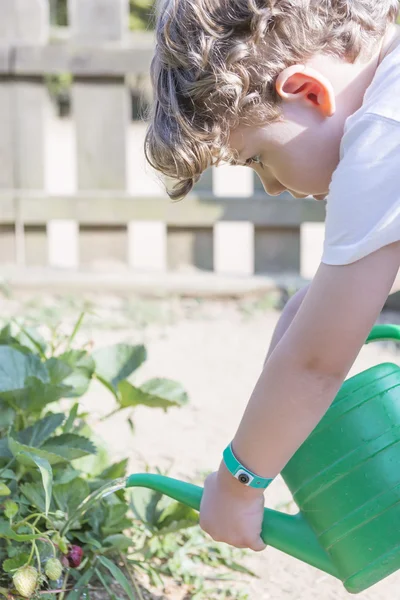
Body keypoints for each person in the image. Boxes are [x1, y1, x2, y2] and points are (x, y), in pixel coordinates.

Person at [144, 0, 400, 552]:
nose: (272, 188)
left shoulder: (383, 134)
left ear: (308, 92)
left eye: (256, 158)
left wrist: (240, 485)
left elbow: (315, 365)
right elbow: (325, 322)